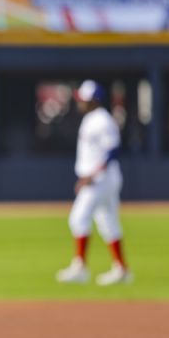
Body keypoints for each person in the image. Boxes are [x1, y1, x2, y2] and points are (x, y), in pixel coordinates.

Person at [56, 80, 132, 286]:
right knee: (108, 222)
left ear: (93, 100)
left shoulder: (102, 120)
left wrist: (91, 175)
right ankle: (122, 269)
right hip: (101, 179)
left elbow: (113, 150)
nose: (80, 102)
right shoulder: (91, 118)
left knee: (78, 218)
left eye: (84, 99)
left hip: (100, 179)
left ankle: (80, 267)